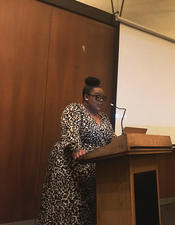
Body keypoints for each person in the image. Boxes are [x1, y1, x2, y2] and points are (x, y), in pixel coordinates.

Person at [38, 77, 115, 225]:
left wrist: (123, 142)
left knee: (88, 206)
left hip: (94, 164)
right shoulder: (75, 109)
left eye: (103, 98)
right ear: (86, 97)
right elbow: (71, 130)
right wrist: (77, 148)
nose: (101, 100)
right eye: (97, 97)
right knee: (69, 204)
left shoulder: (104, 117)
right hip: (71, 164)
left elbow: (111, 138)